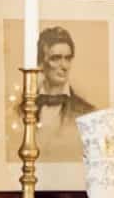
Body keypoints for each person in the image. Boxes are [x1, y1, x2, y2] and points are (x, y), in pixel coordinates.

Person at [36, 26, 95, 162]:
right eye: (56, 58)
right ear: (41, 62)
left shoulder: (87, 113)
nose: (64, 66)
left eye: (68, 58)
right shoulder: (20, 111)